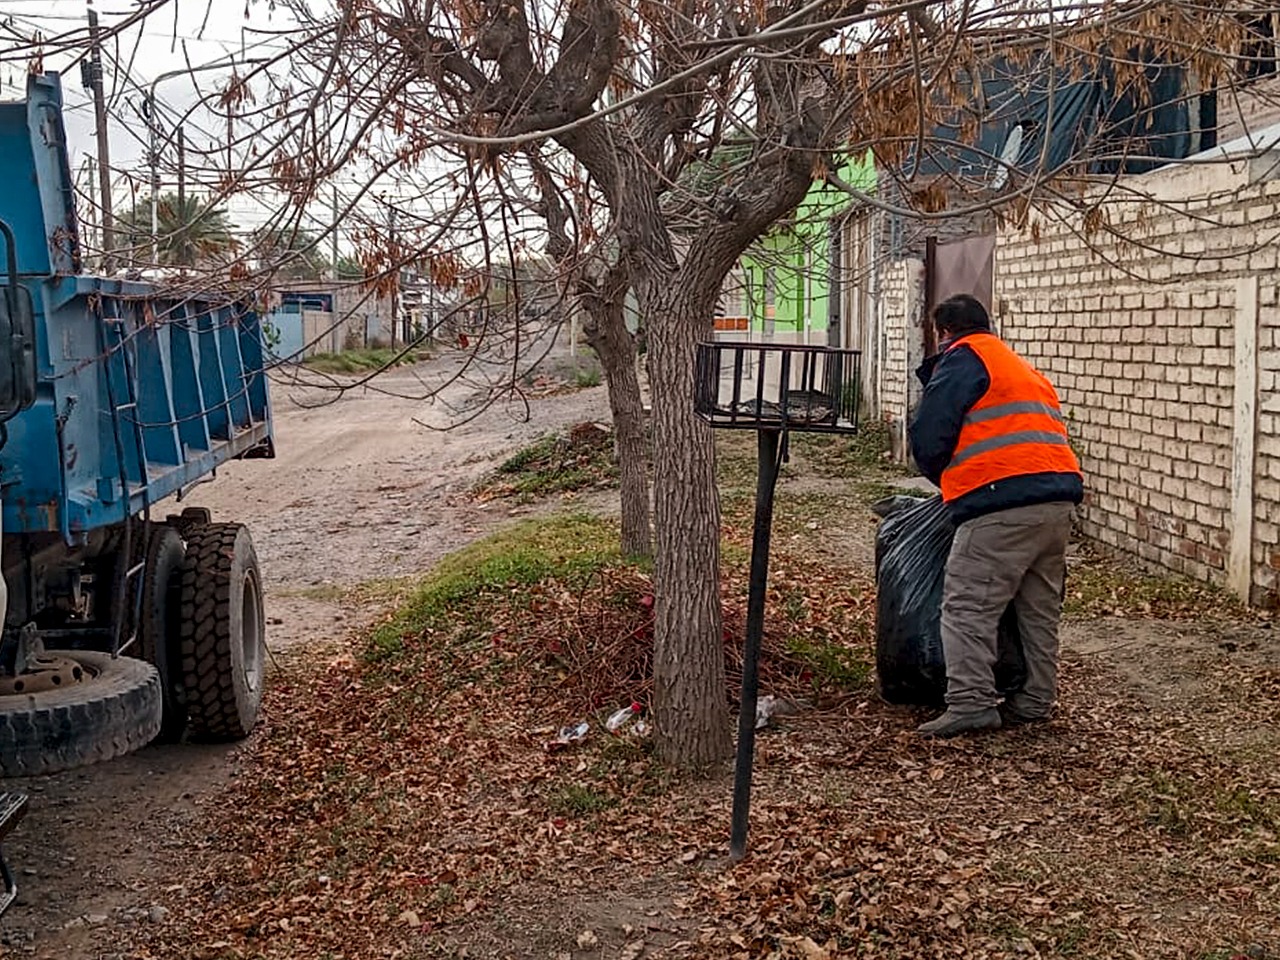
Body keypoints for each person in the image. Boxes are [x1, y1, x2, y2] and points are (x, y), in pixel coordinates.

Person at [909, 294, 1083, 738]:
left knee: (968, 605)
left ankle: (970, 703)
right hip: (1057, 501)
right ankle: (1036, 698)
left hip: (1000, 504)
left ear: (944, 332)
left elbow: (929, 438)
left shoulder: (963, 361)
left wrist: (950, 480)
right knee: (1038, 608)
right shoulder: (1020, 366)